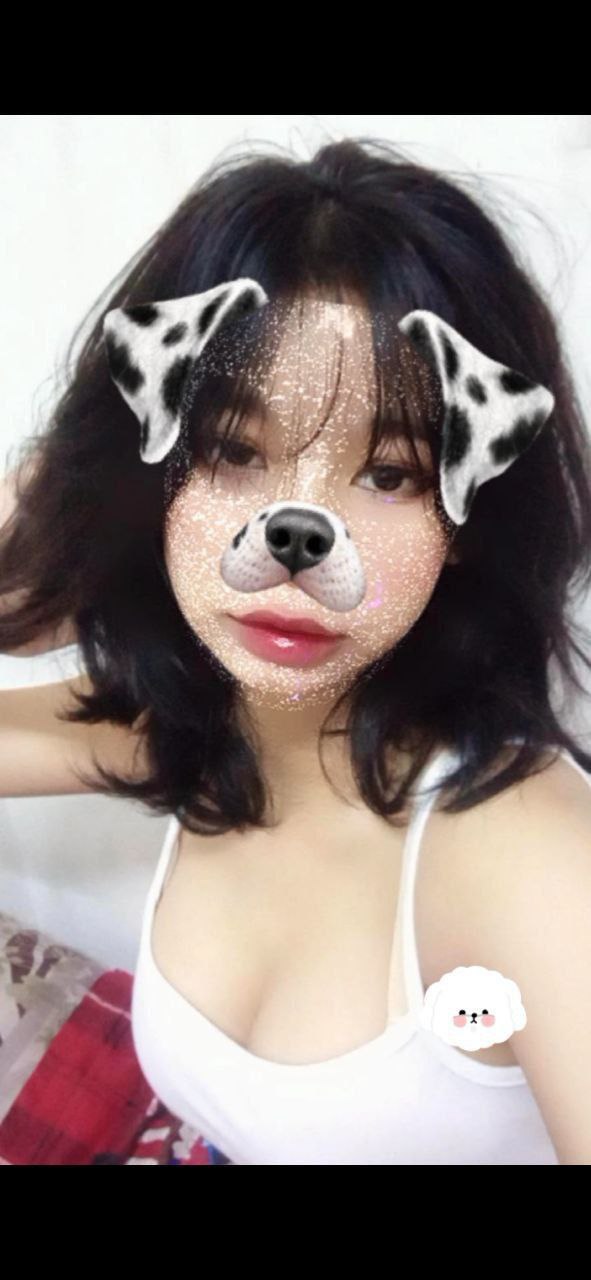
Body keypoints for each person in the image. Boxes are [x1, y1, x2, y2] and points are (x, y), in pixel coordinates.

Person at [1, 136, 591, 1165]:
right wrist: (45, 548)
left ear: (469, 513)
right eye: (234, 450)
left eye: (391, 474)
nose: (297, 534)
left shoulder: (527, 858)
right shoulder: (192, 727)